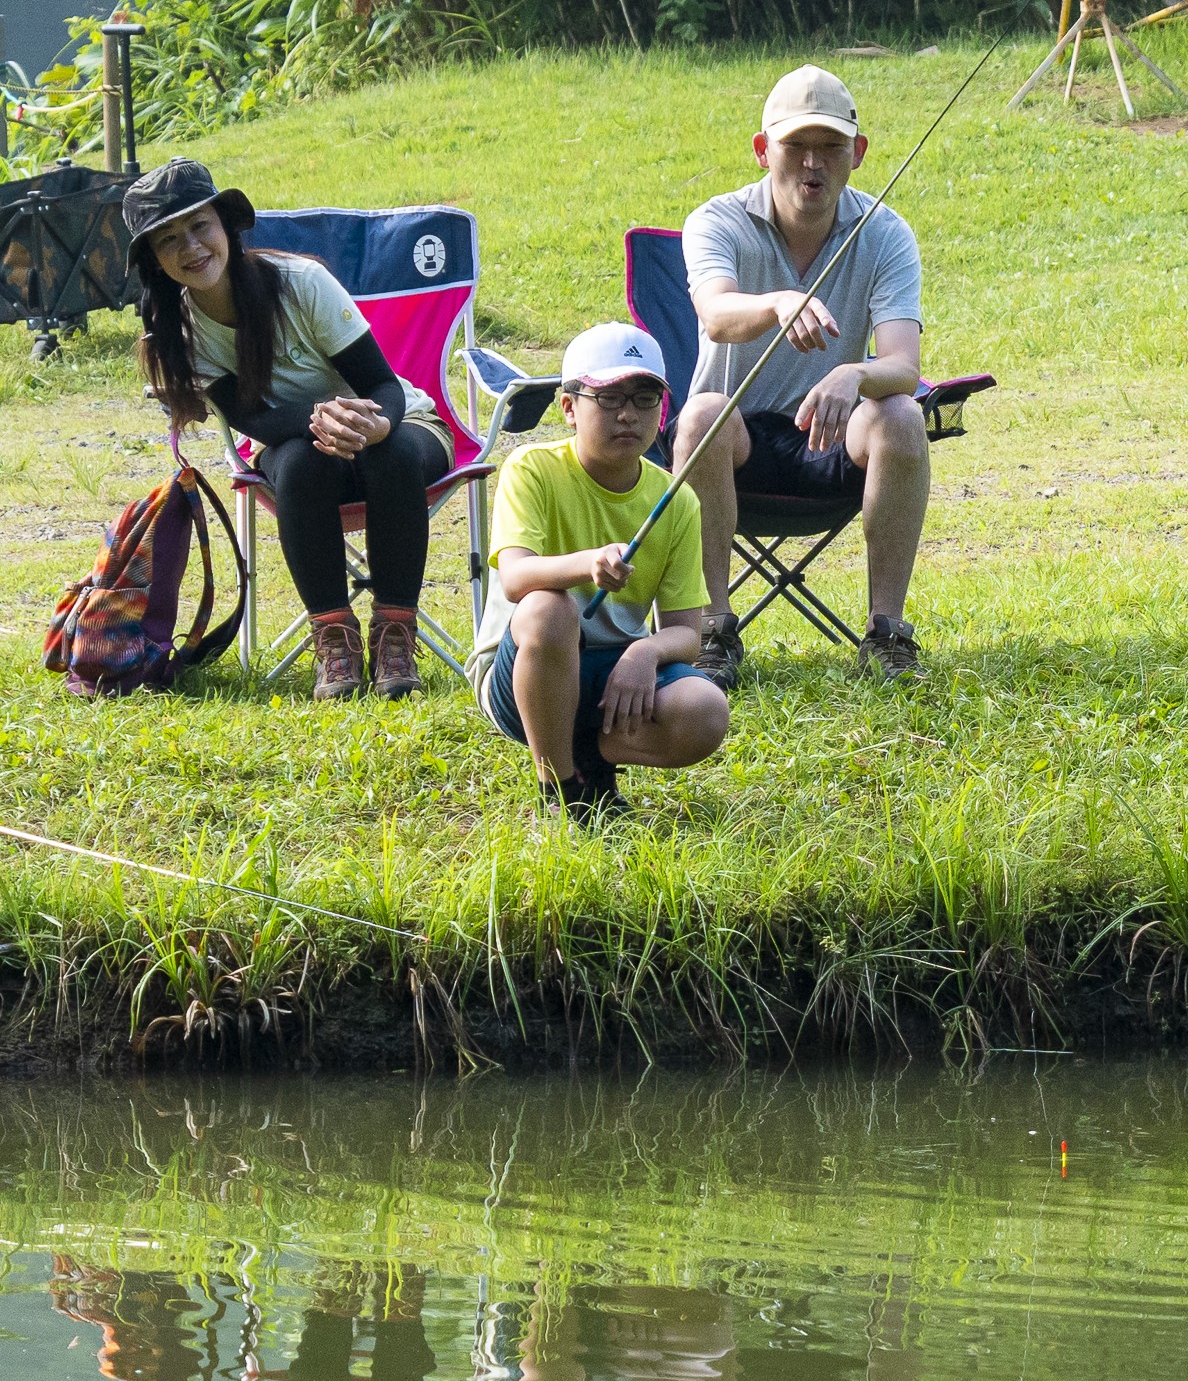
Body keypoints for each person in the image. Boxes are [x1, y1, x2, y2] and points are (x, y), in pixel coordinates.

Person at [124, 158, 449, 700]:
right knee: (299, 461)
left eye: (200, 226)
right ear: (155, 259)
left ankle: (395, 634)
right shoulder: (175, 327)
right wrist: (319, 419)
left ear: (227, 227)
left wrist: (372, 424)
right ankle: (335, 640)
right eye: (169, 239)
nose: (191, 248)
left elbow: (382, 384)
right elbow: (251, 418)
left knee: (389, 453)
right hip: (298, 446)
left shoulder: (301, 283)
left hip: (400, 424)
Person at [672, 64, 932, 687]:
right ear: (763, 150)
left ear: (857, 154)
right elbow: (716, 315)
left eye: (830, 146)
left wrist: (854, 375)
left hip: (835, 437)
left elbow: (903, 366)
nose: (812, 163)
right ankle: (711, 632)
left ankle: (887, 634)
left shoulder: (886, 233)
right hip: (737, 448)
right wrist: (778, 303)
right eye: (795, 145)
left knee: (902, 414)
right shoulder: (717, 220)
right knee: (702, 415)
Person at [467, 323, 732, 820]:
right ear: (569, 407)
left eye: (645, 398)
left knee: (705, 710)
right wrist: (588, 563)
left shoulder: (677, 500)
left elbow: (686, 634)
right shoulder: (531, 468)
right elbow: (517, 579)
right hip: (520, 670)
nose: (628, 414)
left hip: (613, 669)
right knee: (548, 609)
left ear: (662, 409)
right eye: (608, 398)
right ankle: (561, 789)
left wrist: (644, 652)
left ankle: (590, 758)